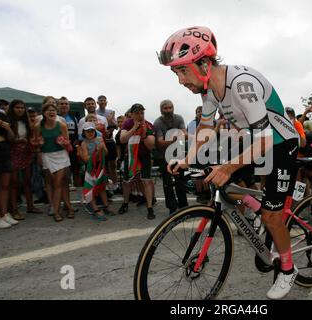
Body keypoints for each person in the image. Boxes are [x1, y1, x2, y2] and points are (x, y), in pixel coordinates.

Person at [159, 26, 300, 299]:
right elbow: (206, 129)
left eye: (182, 71)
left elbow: (265, 141)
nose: (180, 80)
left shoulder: (241, 84)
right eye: (176, 73)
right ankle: (263, 213)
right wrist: (187, 160)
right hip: (256, 142)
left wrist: (227, 167)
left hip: (280, 143)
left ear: (204, 63)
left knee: (271, 214)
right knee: (224, 182)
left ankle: (287, 268)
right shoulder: (208, 90)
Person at [31, 101, 72, 222]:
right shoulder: (38, 126)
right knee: (54, 183)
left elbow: (67, 142)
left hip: (61, 155)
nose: (52, 112)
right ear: (43, 113)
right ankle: (68, 208)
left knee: (58, 183)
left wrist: (63, 142)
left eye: (53, 110)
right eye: (49, 110)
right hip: (47, 156)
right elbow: (34, 142)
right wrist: (38, 144)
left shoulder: (62, 125)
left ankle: (56, 211)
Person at [119, 103, 156, 219]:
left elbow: (151, 146)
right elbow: (122, 139)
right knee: (127, 181)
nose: (140, 115)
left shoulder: (148, 125)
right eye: (137, 113)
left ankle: (150, 207)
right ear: (131, 114)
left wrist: (144, 134)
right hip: (130, 155)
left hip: (144, 155)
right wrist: (134, 129)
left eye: (142, 113)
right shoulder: (128, 123)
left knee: (146, 181)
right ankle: (125, 203)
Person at [7, 100, 42, 220]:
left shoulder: (26, 122)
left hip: (26, 153)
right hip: (13, 153)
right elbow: (8, 139)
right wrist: (18, 141)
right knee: (15, 183)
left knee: (27, 181)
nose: (20, 109)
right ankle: (14, 210)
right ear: (12, 108)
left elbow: (31, 137)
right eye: (17, 107)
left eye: (22, 107)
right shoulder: (8, 122)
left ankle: (30, 206)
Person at [154, 99, 188, 214]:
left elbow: (185, 134)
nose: (168, 110)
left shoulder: (179, 118)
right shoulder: (157, 122)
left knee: (180, 180)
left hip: (178, 154)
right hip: (163, 156)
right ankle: (172, 208)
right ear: (161, 110)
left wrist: (171, 139)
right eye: (165, 108)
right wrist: (173, 139)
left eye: (170, 108)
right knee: (167, 183)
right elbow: (159, 142)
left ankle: (183, 205)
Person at [79, 122, 113, 221]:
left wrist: (102, 148)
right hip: (90, 169)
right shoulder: (84, 143)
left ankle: (106, 205)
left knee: (102, 187)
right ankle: (95, 208)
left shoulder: (99, 139)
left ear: (95, 131)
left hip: (100, 167)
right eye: (87, 131)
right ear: (84, 132)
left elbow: (106, 153)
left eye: (92, 130)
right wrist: (97, 152)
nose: (90, 133)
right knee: (91, 188)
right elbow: (86, 159)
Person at [0, 94, 17, 229]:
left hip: (4, 150)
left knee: (4, 185)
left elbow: (12, 137)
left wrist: (8, 128)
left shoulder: (1, 115)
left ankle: (4, 213)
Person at [96, 95, 119, 195]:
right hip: (100, 140)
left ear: (106, 102)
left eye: (103, 100)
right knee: (103, 165)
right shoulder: (95, 113)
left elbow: (116, 126)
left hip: (109, 140)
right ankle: (104, 186)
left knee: (112, 164)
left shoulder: (110, 111)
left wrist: (110, 120)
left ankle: (115, 185)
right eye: (100, 100)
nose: (102, 102)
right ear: (98, 102)